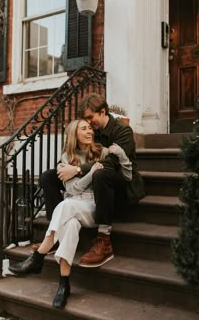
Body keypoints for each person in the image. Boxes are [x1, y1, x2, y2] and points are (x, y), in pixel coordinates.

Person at [8, 119, 132, 309]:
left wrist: (113, 159)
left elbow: (123, 176)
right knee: (71, 223)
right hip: (75, 203)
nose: (89, 131)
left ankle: (38, 257)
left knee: (65, 206)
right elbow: (73, 189)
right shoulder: (66, 157)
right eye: (84, 128)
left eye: (90, 128)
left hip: (95, 207)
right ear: (75, 134)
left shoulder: (103, 151)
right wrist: (89, 173)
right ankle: (64, 283)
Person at [51, 93, 145, 268]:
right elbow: (78, 151)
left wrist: (78, 169)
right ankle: (55, 234)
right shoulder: (93, 131)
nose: (88, 124)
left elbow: (112, 163)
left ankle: (104, 240)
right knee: (48, 176)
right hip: (93, 182)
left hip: (122, 183)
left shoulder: (123, 131)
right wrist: (63, 166)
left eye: (90, 118)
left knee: (100, 174)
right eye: (85, 120)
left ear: (103, 112)